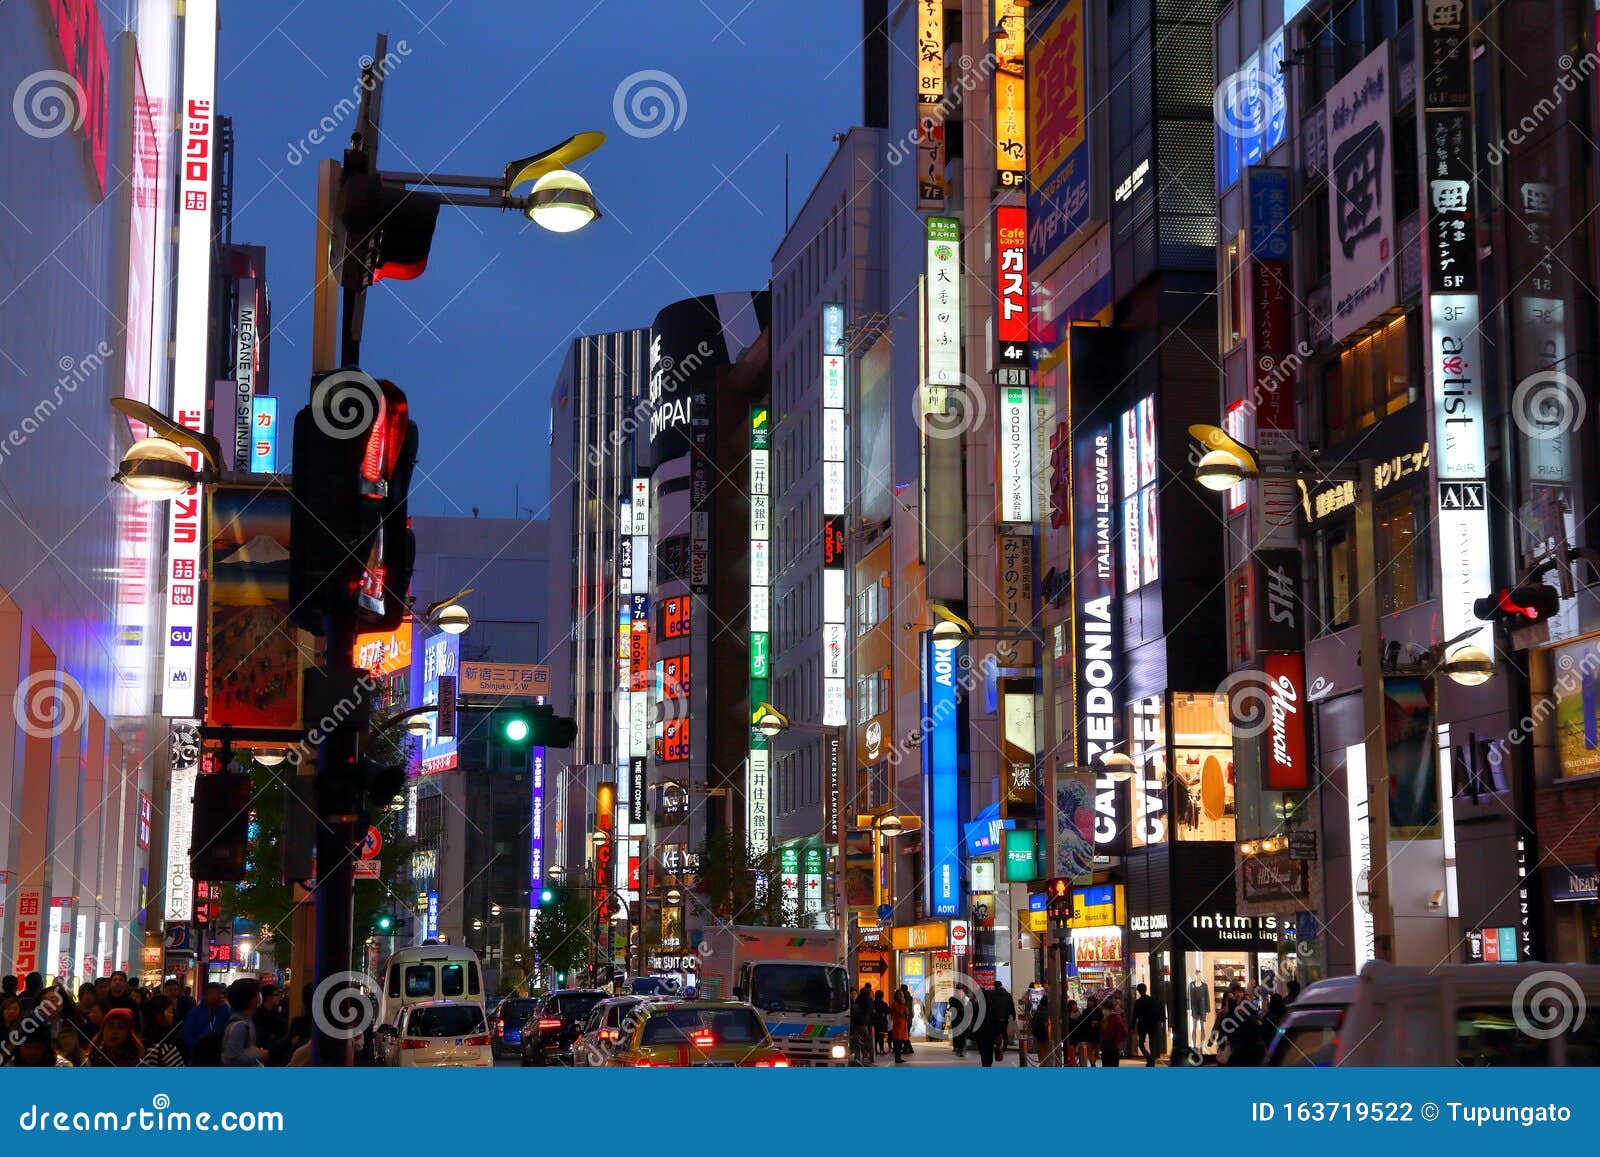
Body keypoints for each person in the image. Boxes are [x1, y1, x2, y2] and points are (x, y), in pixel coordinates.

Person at [221, 978, 268, 1067]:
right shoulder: (240, 1026)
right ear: (251, 999)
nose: (260, 996)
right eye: (258, 993)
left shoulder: (247, 1020)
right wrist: (260, 1055)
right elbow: (232, 1059)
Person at [182, 982, 230, 1058]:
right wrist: (196, 1051)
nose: (219, 996)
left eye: (220, 993)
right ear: (205, 996)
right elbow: (187, 1035)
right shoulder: (195, 1012)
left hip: (219, 1054)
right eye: (215, 994)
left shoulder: (224, 1010)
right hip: (200, 1054)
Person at [140, 996, 188, 1067]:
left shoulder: (139, 1045)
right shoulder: (165, 1049)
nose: (173, 1016)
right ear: (159, 1015)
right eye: (170, 1012)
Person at [5, 1023, 71, 1067]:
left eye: (39, 1047)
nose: (33, 1052)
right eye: (27, 1046)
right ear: (18, 1046)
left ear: (46, 1048)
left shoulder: (61, 1066)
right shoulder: (8, 1064)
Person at [254, 984, 289, 1064]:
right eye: (276, 994)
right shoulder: (259, 1014)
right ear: (268, 997)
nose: (279, 997)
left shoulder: (276, 1013)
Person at [1132, 982, 1165, 1066]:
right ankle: (1152, 1060)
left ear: (1138, 991)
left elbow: (1134, 1015)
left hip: (1142, 1024)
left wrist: (1132, 1026)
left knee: (1141, 1043)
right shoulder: (1152, 1000)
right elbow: (1159, 1010)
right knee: (1152, 1043)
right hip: (1152, 1024)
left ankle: (1148, 1057)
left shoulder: (1138, 1002)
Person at [1099, 995, 1128, 1067]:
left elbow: (1124, 1032)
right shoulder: (1104, 1019)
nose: (1104, 1011)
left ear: (1110, 1009)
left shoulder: (1116, 1018)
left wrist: (1117, 1040)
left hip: (1113, 1047)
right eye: (1103, 1009)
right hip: (1105, 1047)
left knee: (1112, 1064)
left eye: (1105, 1009)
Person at [989, 981, 1016, 1060]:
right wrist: (1013, 1016)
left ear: (995, 986)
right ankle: (1005, 1046)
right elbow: (1012, 1006)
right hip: (1005, 1018)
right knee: (1004, 1031)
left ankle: (998, 1047)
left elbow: (991, 1007)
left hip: (996, 1018)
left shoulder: (993, 995)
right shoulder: (1008, 995)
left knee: (997, 1033)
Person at [850, 984, 876, 1065]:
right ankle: (865, 1056)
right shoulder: (868, 1003)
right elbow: (871, 1013)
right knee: (866, 1040)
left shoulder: (857, 1003)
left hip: (856, 1024)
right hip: (864, 1024)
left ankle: (857, 1057)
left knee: (857, 1041)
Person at [890, 985, 912, 1063]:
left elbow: (907, 1012)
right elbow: (901, 1011)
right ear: (897, 996)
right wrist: (903, 1004)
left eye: (902, 994)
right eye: (900, 995)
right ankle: (897, 1058)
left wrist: (904, 1005)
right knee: (897, 1042)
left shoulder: (903, 1003)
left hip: (903, 1024)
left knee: (900, 1042)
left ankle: (898, 1057)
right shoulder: (895, 1003)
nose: (902, 996)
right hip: (898, 1025)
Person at [1063, 999, 1087, 1066]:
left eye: (1075, 1005)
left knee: (1080, 1050)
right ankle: (1072, 1062)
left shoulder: (1079, 1013)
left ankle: (1081, 1063)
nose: (1074, 1006)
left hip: (1079, 1035)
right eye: (1073, 1005)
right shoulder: (1067, 1014)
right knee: (1071, 1049)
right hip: (1071, 1034)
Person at [1029, 998, 1051, 1066]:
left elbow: (1034, 1025)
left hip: (1040, 1036)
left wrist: (1035, 1034)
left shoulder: (1037, 1012)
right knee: (1048, 1052)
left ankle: (1042, 1065)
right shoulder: (1050, 1012)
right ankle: (1046, 1065)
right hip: (1049, 1036)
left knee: (1041, 1053)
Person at [946, 992, 966, 1057]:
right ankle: (961, 1049)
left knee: (955, 1033)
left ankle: (956, 1047)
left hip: (954, 1020)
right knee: (961, 1035)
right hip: (961, 1020)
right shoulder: (962, 1000)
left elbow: (949, 1009)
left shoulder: (952, 1000)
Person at [871, 989, 891, 1056]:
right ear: (882, 996)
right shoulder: (884, 1004)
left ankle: (875, 1050)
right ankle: (882, 1050)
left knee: (875, 1037)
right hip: (882, 1022)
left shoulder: (872, 1003)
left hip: (874, 1022)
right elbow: (888, 1011)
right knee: (881, 1037)